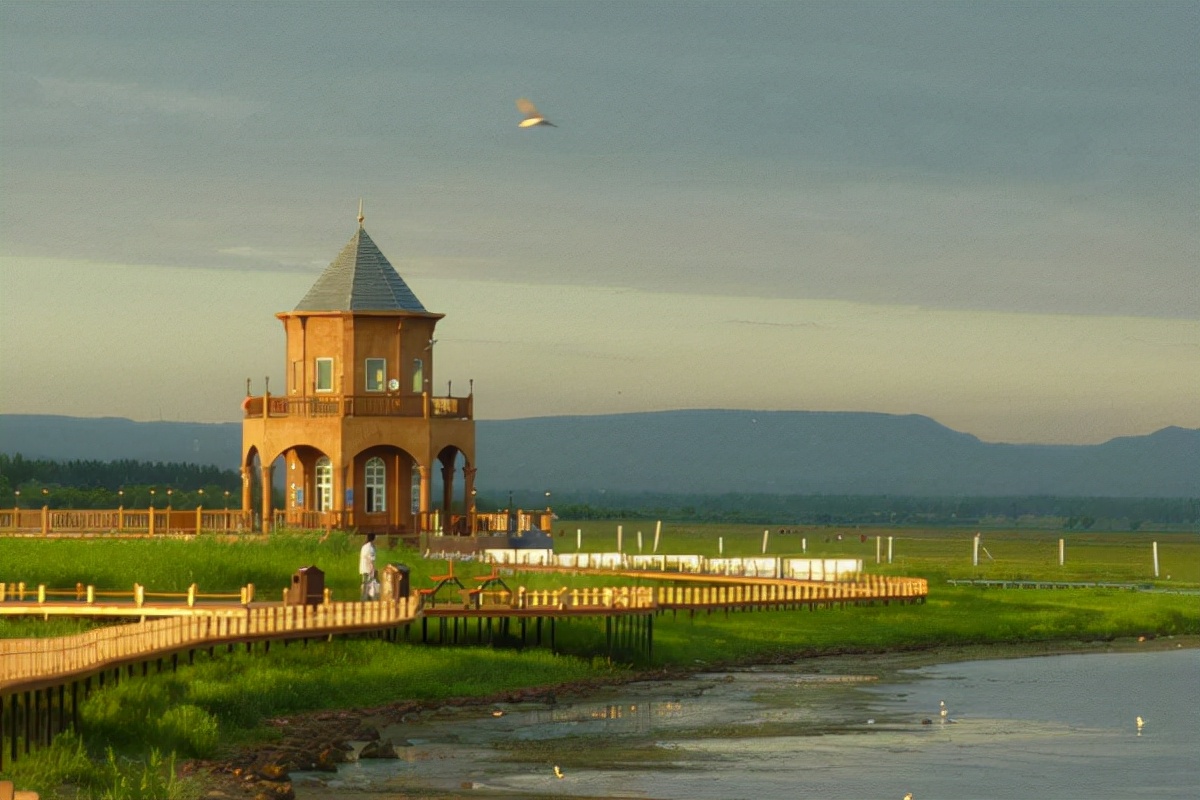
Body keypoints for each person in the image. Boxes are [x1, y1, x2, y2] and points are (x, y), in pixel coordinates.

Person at [359, 533, 377, 600]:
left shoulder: (364, 546)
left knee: (366, 584)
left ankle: (366, 598)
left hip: (364, 568)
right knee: (367, 584)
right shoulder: (370, 548)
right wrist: (374, 569)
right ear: (373, 539)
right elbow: (372, 559)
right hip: (368, 569)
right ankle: (364, 599)